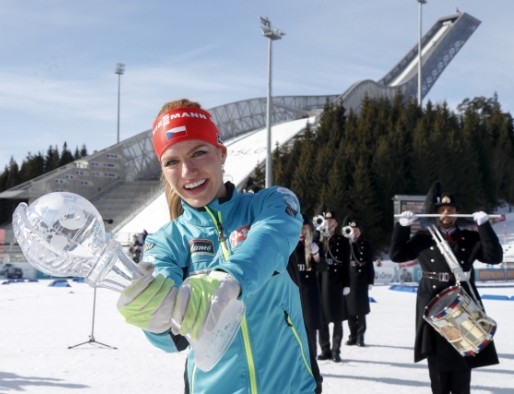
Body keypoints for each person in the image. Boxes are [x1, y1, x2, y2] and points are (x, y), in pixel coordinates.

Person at [116, 99, 317, 394]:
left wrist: (230, 277)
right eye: (172, 161)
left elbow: (271, 236)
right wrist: (156, 320)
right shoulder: (165, 241)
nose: (188, 171)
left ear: (221, 153)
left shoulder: (270, 203)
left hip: (293, 386)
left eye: (199, 153)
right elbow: (173, 340)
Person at [389, 181, 503, 394]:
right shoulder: (423, 239)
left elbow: (495, 257)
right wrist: (402, 228)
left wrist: (484, 227)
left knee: (464, 349)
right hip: (432, 300)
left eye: (450, 210)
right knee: (437, 358)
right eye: (441, 211)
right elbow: (397, 255)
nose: (446, 214)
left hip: (463, 300)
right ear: (436, 214)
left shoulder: (470, 238)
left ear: (457, 213)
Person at [287, 214, 324, 393]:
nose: (302, 230)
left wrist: (316, 253)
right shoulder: (288, 243)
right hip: (294, 294)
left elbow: (323, 268)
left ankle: (311, 368)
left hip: (310, 296)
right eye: (300, 226)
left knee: (310, 334)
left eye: (305, 227)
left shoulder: (313, 244)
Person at [314, 205, 350, 363]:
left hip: (336, 283)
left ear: (336, 223)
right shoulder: (318, 238)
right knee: (321, 319)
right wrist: (319, 231)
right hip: (320, 282)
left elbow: (346, 264)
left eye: (331, 220)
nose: (328, 223)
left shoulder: (342, 241)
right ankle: (325, 349)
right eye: (325, 220)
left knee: (337, 319)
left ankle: (336, 351)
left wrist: (347, 284)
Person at [342, 216, 375, 347]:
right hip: (349, 279)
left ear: (360, 231)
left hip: (361, 279)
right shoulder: (345, 243)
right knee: (350, 311)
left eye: (357, 230)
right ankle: (352, 336)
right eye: (352, 229)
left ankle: (360, 337)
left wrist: (370, 280)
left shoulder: (366, 244)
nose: (354, 232)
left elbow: (369, 264)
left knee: (361, 311)